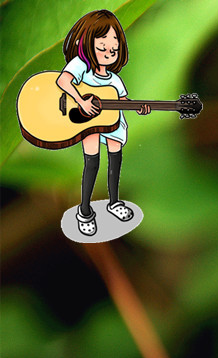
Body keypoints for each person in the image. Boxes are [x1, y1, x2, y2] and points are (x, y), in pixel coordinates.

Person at [56, 10, 149, 237]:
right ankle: (85, 211)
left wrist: (138, 106)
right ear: (87, 43)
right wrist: (81, 101)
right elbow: (63, 80)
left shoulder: (115, 80)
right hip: (86, 123)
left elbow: (122, 100)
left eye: (114, 49)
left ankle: (114, 202)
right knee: (93, 162)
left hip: (112, 121)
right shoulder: (81, 66)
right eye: (102, 46)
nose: (109, 52)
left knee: (115, 160)